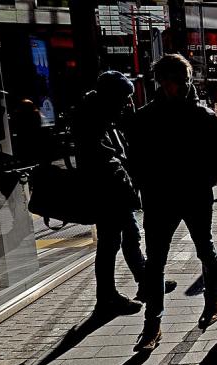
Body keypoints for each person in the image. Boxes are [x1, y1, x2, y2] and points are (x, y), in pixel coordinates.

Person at [128, 54, 217, 351]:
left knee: (205, 248)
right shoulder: (146, 117)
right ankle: (152, 324)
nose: (174, 88)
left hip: (194, 194)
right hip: (160, 198)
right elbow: (135, 159)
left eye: (179, 82)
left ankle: (211, 300)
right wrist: (147, 185)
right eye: (168, 82)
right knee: (156, 260)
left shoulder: (203, 115)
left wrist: (204, 181)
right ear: (160, 82)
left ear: (187, 81)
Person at [72, 71, 146, 314]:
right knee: (111, 244)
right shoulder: (94, 120)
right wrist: (130, 192)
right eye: (125, 98)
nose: (127, 104)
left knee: (127, 237)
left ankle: (142, 282)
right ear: (112, 96)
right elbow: (108, 161)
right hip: (108, 195)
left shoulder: (102, 116)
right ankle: (107, 297)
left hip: (112, 193)